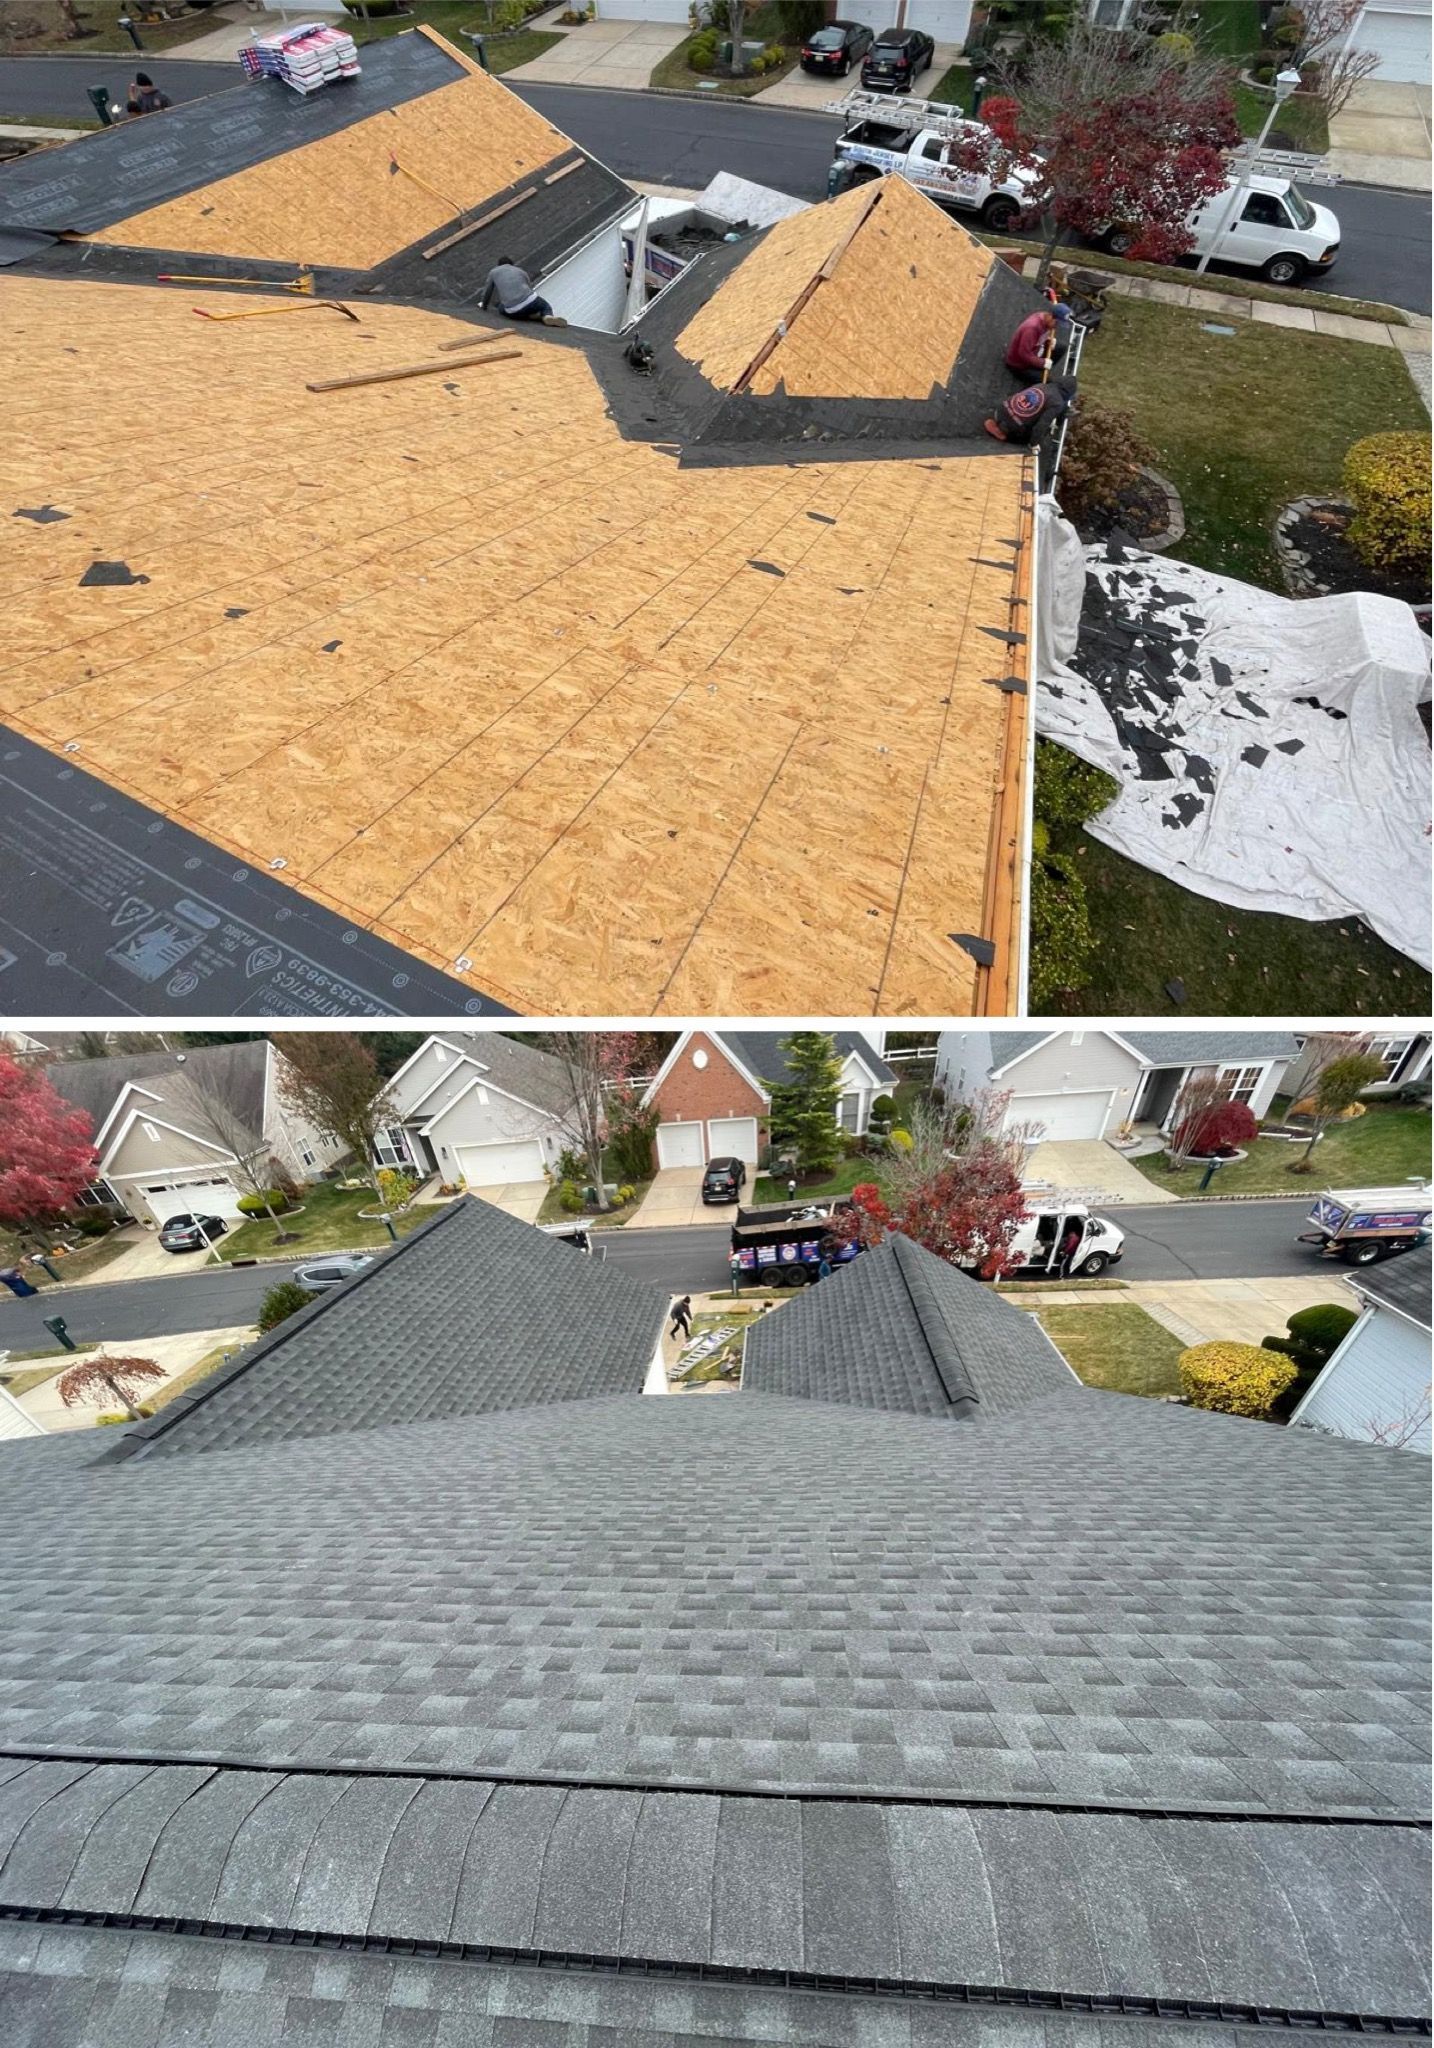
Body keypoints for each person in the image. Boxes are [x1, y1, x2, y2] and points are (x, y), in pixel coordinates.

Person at [984, 375, 1075, 452]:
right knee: (1042, 432)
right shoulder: (1057, 403)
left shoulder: (1041, 385)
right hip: (1012, 427)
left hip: (1000, 410)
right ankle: (1003, 433)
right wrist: (1033, 444)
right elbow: (1042, 424)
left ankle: (999, 422)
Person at [480, 257, 566, 327]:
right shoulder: (520, 271)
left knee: (501, 307)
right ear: (512, 264)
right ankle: (547, 316)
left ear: (498, 265)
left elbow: (487, 291)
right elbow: (530, 287)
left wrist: (484, 306)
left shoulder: (493, 272)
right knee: (545, 306)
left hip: (513, 310)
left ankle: (528, 315)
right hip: (530, 300)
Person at [1004, 302, 1069, 377]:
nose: (1056, 327)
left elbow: (1037, 337)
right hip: (1019, 364)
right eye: (1057, 323)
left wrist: (1047, 340)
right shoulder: (1031, 329)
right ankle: (1040, 371)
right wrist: (1042, 363)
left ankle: (1043, 369)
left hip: (1035, 352)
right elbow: (1024, 354)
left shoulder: (1045, 319)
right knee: (1048, 382)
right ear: (1051, 316)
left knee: (1062, 348)